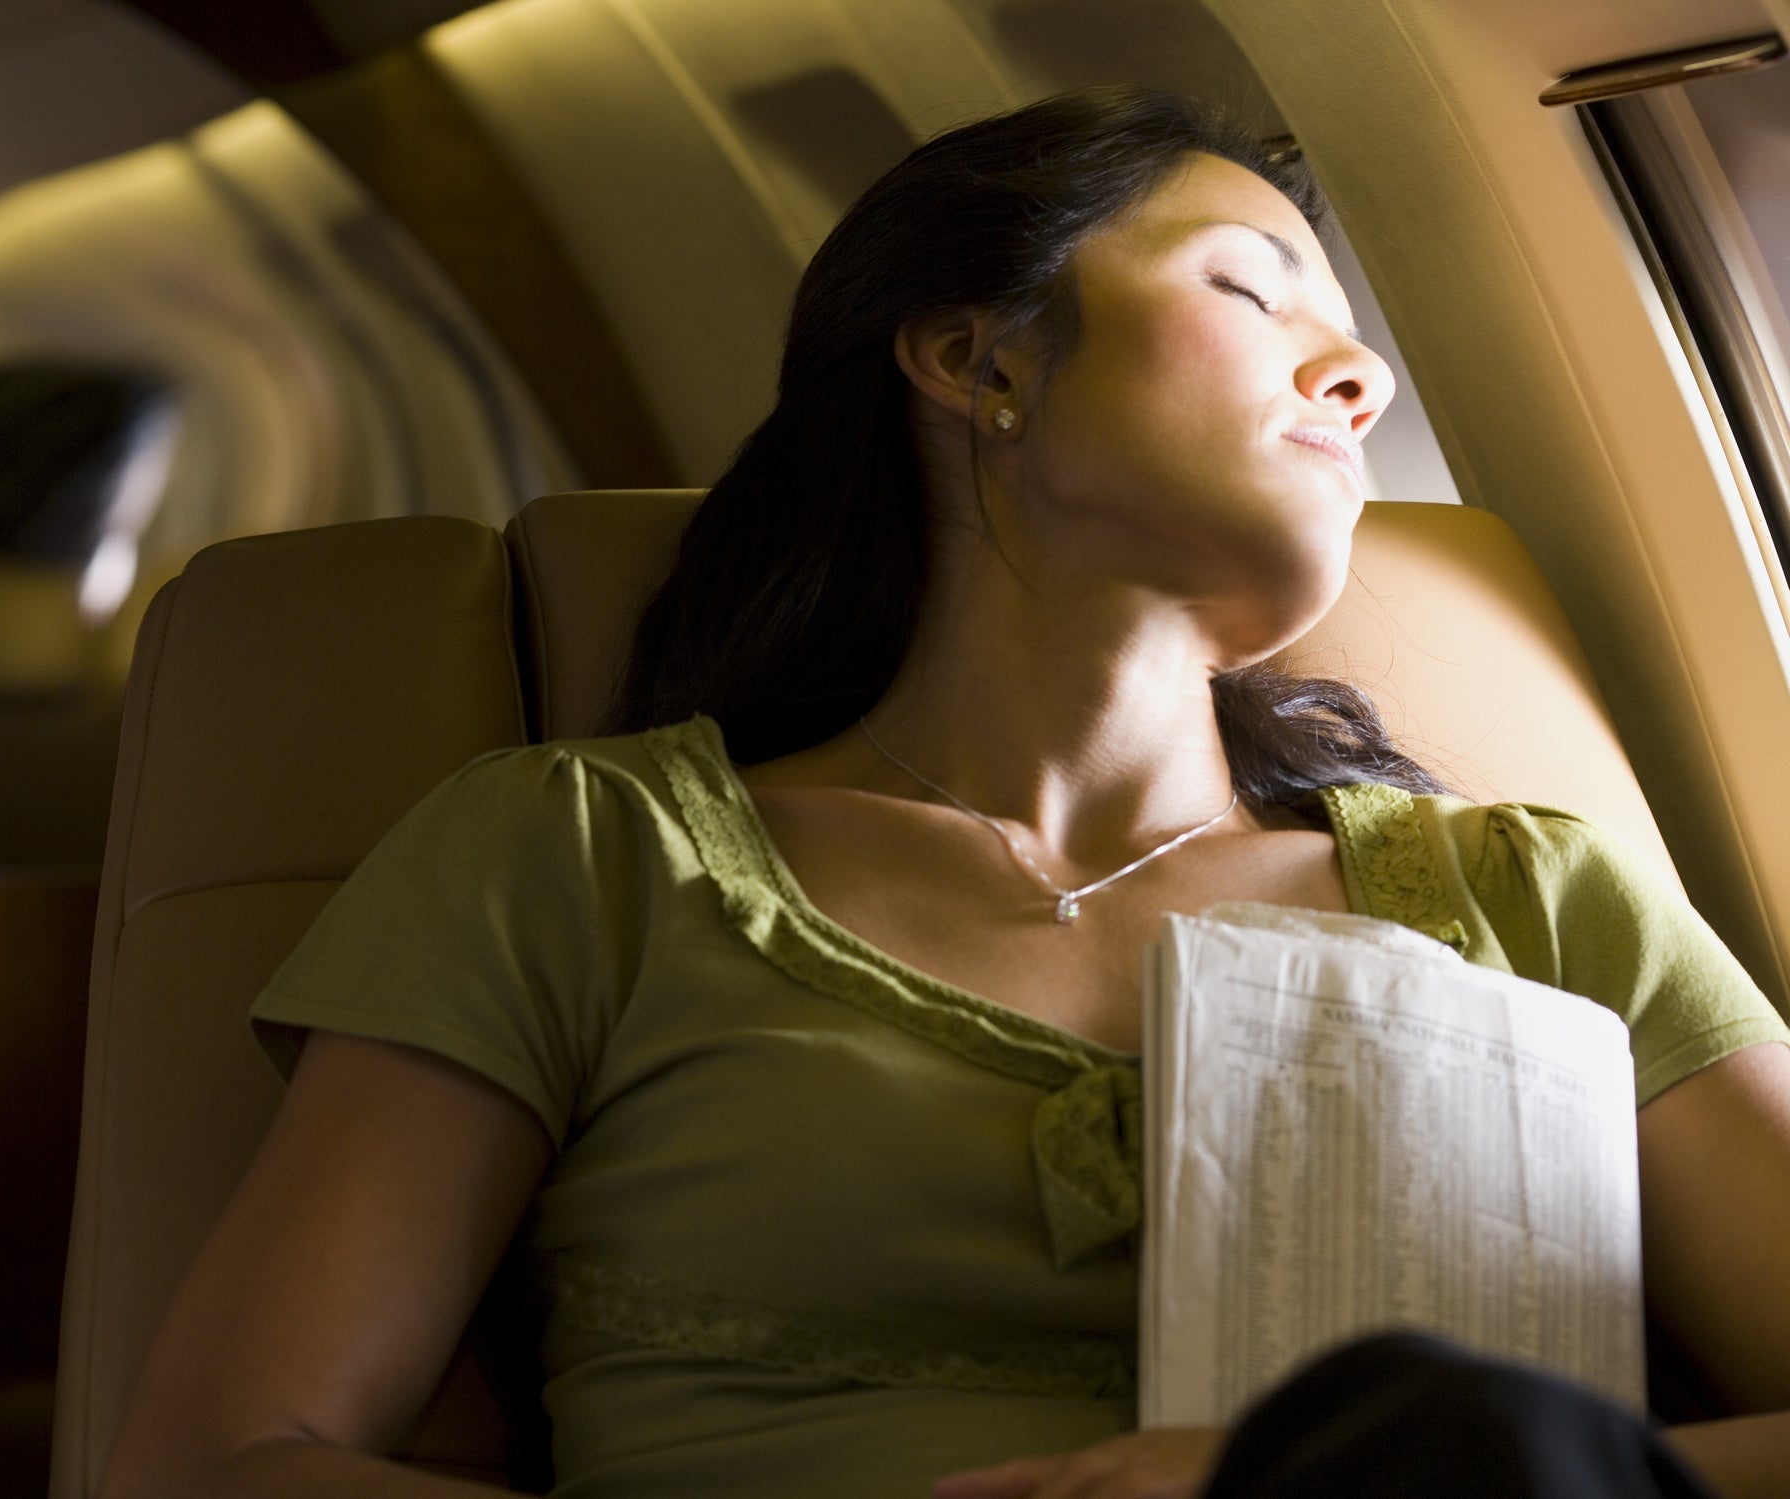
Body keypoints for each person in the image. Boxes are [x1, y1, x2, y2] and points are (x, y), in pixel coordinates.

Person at [98, 87, 1790, 1499]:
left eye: (1357, 341)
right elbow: (230, 1459)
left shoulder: (1536, 897)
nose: (1363, 378)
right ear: (980, 359)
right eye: (1254, 292)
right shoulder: (576, 856)